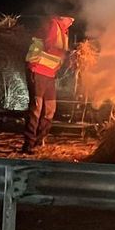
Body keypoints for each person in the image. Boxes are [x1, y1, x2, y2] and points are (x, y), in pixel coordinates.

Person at [22, 13, 74, 154]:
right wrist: (66, 53)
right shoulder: (52, 25)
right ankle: (28, 144)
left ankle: (39, 141)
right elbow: (49, 46)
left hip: (49, 73)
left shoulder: (64, 32)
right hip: (37, 69)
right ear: (63, 17)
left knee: (50, 109)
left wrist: (69, 58)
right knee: (36, 108)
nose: (72, 22)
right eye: (71, 19)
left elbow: (59, 55)